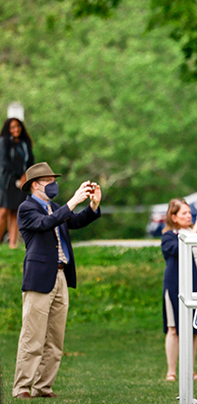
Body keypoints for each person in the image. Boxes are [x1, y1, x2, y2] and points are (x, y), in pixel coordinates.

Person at [13, 162, 101, 399]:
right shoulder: (27, 208)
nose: (53, 185)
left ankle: (44, 387)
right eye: (49, 181)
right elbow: (45, 224)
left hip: (61, 275)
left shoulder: (54, 207)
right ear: (35, 185)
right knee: (33, 336)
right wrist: (73, 200)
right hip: (39, 278)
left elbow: (75, 221)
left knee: (55, 338)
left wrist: (93, 204)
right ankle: (22, 387)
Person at [162, 198, 197, 382]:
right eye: (184, 213)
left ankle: (189, 371)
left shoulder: (196, 233)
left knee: (193, 329)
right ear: (174, 217)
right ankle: (171, 371)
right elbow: (176, 250)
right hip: (175, 286)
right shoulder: (169, 235)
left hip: (196, 285)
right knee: (173, 328)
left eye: (189, 212)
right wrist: (195, 231)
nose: (189, 216)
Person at [0, 118, 34, 249]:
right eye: (12, 127)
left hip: (23, 182)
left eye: (18, 126)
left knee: (16, 212)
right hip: (8, 182)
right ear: (8, 129)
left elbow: (30, 161)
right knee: (3, 212)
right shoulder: (4, 142)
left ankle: (12, 244)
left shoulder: (25, 143)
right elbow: (4, 162)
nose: (16, 129)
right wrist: (21, 173)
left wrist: (28, 176)